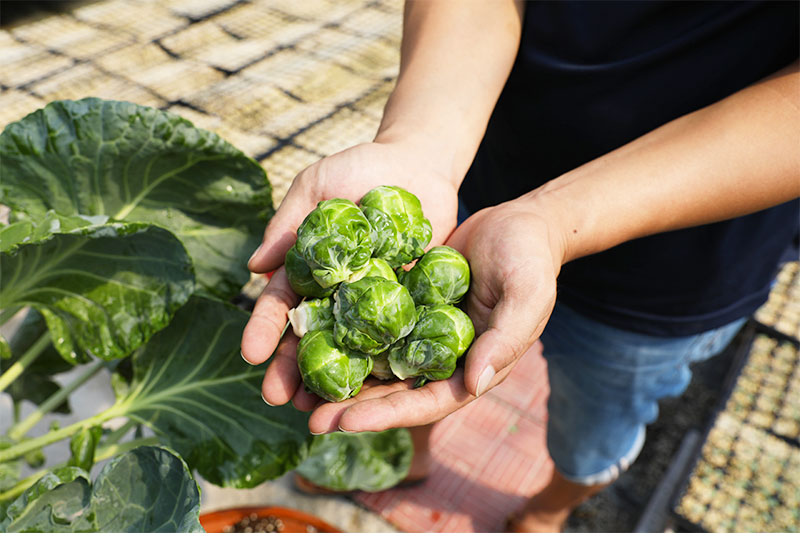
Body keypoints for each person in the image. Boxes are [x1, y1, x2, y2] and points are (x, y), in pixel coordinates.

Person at [241, 0, 799, 532]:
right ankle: (412, 456)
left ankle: (551, 508)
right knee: (436, 366)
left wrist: (556, 219)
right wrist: (420, 145)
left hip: (683, 258)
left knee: (594, 426)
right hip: (483, 180)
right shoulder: (407, 256)